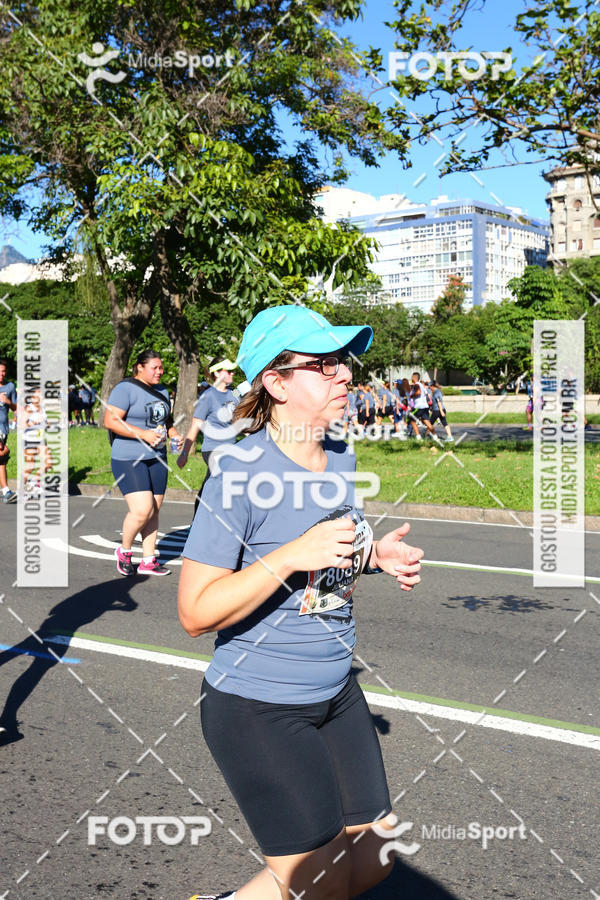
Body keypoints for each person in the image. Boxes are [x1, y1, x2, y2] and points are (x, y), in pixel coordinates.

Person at [178, 305, 424, 900]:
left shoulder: (341, 456)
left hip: (336, 690)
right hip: (258, 705)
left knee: (376, 859)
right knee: (321, 884)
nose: (344, 376)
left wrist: (370, 556)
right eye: (323, 366)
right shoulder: (235, 474)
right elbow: (194, 612)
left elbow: (326, 559)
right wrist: (289, 554)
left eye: (343, 362)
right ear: (275, 382)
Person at [104, 349, 183, 577]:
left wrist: (174, 433)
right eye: (154, 368)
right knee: (141, 511)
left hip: (157, 457)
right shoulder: (125, 389)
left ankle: (148, 559)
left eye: (161, 368)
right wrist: (143, 434)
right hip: (129, 457)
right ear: (140, 367)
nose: (160, 372)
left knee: (154, 510)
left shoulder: (162, 390)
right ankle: (125, 551)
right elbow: (111, 421)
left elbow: (166, 420)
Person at [177, 358, 239, 514]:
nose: (232, 374)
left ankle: (202, 517)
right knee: (221, 482)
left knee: (211, 484)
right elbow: (195, 425)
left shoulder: (234, 395)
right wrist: (184, 453)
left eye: (232, 371)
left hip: (231, 449)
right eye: (228, 371)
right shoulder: (208, 396)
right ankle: (201, 519)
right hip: (213, 449)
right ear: (216, 373)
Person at [0, 358, 17, 503]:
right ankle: (6, 490)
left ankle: (5, 492)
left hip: (4, 429)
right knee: (3, 452)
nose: (1, 374)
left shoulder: (10, 387)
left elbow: (15, 408)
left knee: (2, 460)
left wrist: (8, 402)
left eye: (4, 371)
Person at [409, 372, 436, 439]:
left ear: (413, 377)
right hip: (425, 406)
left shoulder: (416, 385)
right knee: (427, 422)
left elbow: (418, 392)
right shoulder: (422, 385)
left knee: (412, 420)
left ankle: (418, 437)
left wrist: (411, 396)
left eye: (411, 377)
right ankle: (435, 437)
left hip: (418, 407)